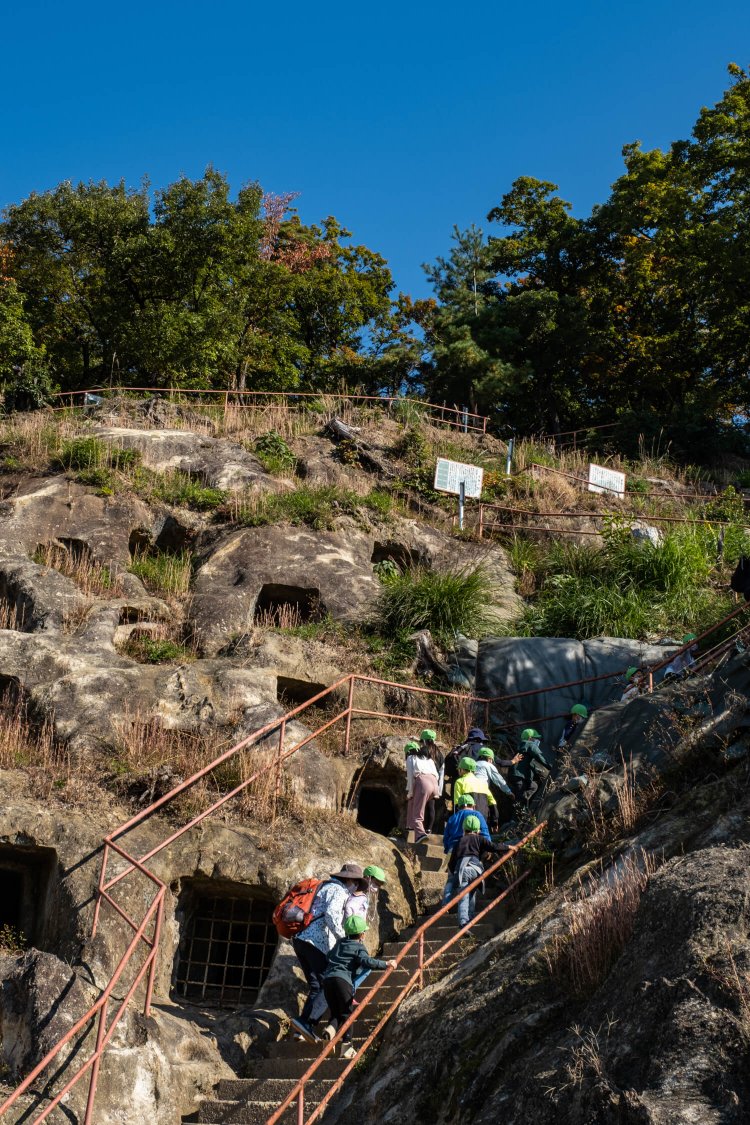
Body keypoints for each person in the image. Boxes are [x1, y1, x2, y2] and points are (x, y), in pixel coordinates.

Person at [290, 862, 365, 1043]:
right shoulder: (338, 890)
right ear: (348, 880)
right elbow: (331, 915)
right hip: (315, 942)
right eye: (355, 882)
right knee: (328, 984)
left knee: (317, 985)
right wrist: (343, 939)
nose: (355, 887)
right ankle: (307, 1022)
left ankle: (301, 1030)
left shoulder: (324, 887)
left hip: (301, 939)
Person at [322, 915, 396, 1059]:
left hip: (328, 980)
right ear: (362, 934)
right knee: (347, 1014)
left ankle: (329, 1032)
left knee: (335, 1013)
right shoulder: (359, 947)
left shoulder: (340, 943)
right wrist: (386, 964)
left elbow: (328, 956)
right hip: (343, 981)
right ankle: (346, 1047)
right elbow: (367, 961)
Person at [447, 815, 508, 927]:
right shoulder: (479, 839)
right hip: (476, 870)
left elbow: (452, 862)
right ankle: (470, 918)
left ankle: (463, 921)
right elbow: (494, 847)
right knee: (472, 894)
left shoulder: (459, 841)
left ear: (463, 829)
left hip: (463, 870)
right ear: (478, 830)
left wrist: (452, 873)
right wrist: (508, 847)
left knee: (463, 896)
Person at [507, 729, 555, 809]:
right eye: (535, 738)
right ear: (530, 738)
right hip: (520, 776)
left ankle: (523, 801)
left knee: (534, 786)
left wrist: (537, 770)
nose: (537, 740)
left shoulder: (521, 746)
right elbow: (539, 757)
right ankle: (519, 811)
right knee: (520, 798)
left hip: (514, 775)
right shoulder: (530, 744)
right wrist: (550, 767)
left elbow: (529, 763)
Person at [406, 739, 440, 843]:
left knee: (417, 814)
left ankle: (420, 835)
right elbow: (437, 775)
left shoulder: (411, 758)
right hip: (434, 784)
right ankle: (410, 826)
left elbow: (410, 777)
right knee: (413, 802)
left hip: (423, 782)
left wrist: (410, 792)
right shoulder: (429, 759)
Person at [453, 756, 498, 829]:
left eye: (459, 769)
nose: (458, 771)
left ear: (462, 770)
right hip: (483, 819)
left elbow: (457, 803)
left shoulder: (460, 782)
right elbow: (492, 802)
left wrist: (456, 822)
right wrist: (494, 822)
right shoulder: (483, 783)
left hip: (467, 821)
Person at [419, 729, 445, 834]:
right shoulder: (440, 754)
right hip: (435, 783)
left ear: (425, 740)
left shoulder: (423, 751)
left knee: (420, 806)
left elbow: (418, 766)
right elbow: (442, 772)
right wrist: (439, 790)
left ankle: (419, 830)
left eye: (422, 741)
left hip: (424, 781)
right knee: (431, 807)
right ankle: (429, 829)